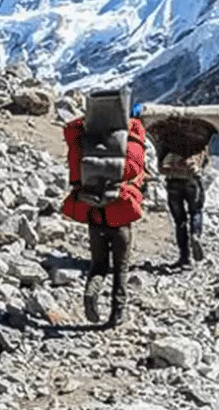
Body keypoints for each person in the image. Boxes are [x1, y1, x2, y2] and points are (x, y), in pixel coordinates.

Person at [61, 88, 146, 328]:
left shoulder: (85, 139)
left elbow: (74, 171)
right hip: (120, 216)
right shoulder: (128, 140)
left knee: (98, 264)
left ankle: (91, 292)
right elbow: (135, 171)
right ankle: (117, 313)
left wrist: (89, 120)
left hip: (94, 214)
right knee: (121, 268)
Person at [141, 104, 219, 269]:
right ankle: (196, 234)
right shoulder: (201, 133)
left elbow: (159, 152)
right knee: (196, 211)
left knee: (180, 220)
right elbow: (205, 159)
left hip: (173, 181)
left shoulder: (166, 133)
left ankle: (184, 257)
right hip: (192, 180)